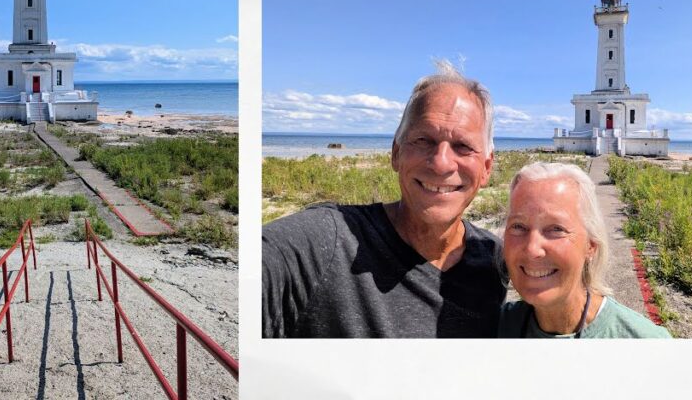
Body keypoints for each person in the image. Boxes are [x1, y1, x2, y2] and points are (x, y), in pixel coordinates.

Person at [262, 61, 506, 338]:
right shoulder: (328, 242)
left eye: (463, 146)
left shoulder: (497, 262)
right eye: (424, 140)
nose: (441, 164)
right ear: (396, 153)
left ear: (486, 168)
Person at [497, 162, 671, 338]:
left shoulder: (646, 343)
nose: (532, 249)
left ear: (591, 245)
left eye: (556, 229)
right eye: (518, 226)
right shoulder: (493, 327)